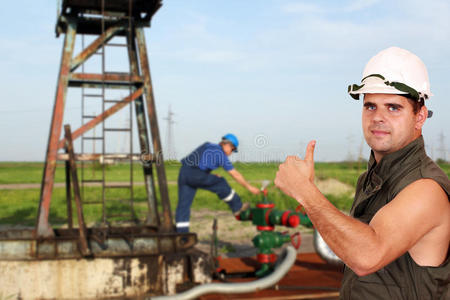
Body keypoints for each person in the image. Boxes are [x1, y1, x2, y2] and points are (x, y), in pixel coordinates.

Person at [274, 47, 450, 299]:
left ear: (419, 116)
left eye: (393, 107)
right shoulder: (372, 179)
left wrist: (305, 192)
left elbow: (367, 256)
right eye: (370, 106)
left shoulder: (425, 188)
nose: (378, 117)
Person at [175, 134, 260, 233]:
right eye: (233, 150)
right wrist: (250, 187)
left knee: (183, 205)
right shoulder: (220, 154)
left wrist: (207, 175)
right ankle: (238, 206)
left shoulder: (208, 145)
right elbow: (235, 174)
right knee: (221, 182)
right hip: (195, 174)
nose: (231, 153)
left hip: (184, 173)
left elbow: (201, 163)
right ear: (228, 145)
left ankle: (182, 234)